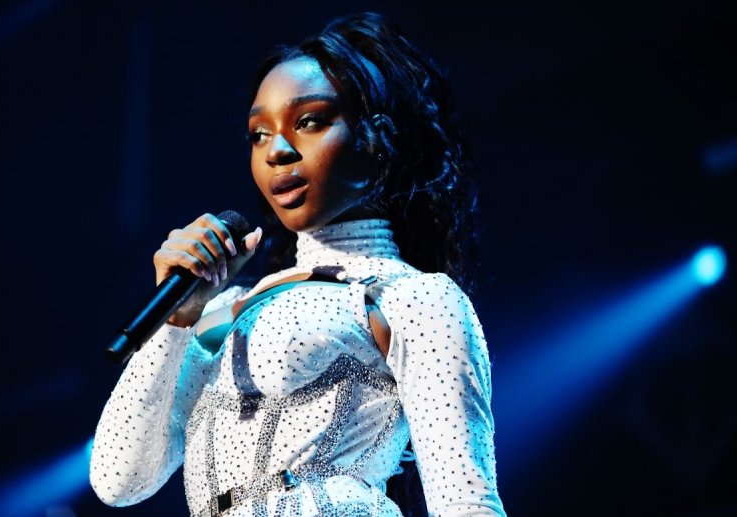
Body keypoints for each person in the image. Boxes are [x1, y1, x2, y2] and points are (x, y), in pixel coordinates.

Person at [89, 11, 505, 516]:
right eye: (259, 133)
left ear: (379, 139)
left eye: (309, 122)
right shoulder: (222, 310)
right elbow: (118, 479)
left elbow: (466, 501)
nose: (277, 152)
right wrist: (175, 325)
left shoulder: (411, 298)